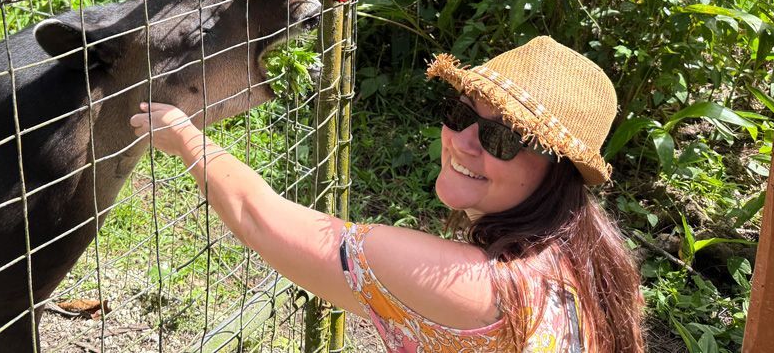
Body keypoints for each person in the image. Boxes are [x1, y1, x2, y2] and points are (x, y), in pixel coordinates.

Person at [129, 36, 645, 352]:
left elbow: (260, 218)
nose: (463, 140)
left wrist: (186, 138)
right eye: (463, 113)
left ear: (558, 173)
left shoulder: (474, 286)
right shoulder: (591, 268)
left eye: (503, 136)